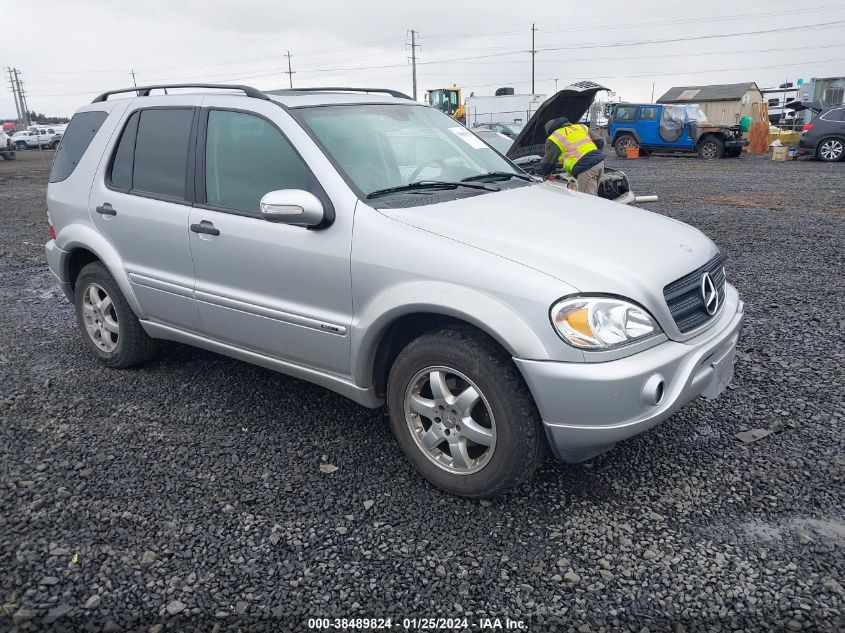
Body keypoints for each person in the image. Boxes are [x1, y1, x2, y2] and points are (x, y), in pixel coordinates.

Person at [539, 117, 606, 195]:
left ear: (550, 131)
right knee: (594, 196)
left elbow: (547, 163)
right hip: (599, 162)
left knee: (587, 199)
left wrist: (546, 174)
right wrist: (592, 155)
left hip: (586, 168)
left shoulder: (554, 137)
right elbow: (599, 142)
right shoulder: (580, 127)